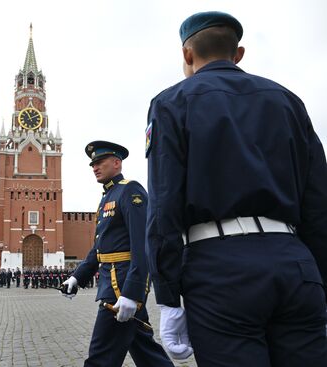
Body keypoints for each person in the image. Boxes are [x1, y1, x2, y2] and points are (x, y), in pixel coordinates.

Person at [146, 11, 327, 367]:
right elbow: (318, 203)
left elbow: (164, 205)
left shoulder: (171, 103)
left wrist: (168, 297)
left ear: (187, 54)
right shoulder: (289, 101)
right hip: (295, 265)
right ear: (238, 53)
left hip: (220, 272)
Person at [61, 141, 173, 367]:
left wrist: (133, 292)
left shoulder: (130, 190)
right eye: (92, 164)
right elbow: (99, 248)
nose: (94, 167)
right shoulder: (107, 198)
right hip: (114, 285)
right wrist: (77, 277)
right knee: (146, 352)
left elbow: (143, 244)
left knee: (101, 357)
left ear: (117, 163)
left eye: (100, 162)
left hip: (120, 288)